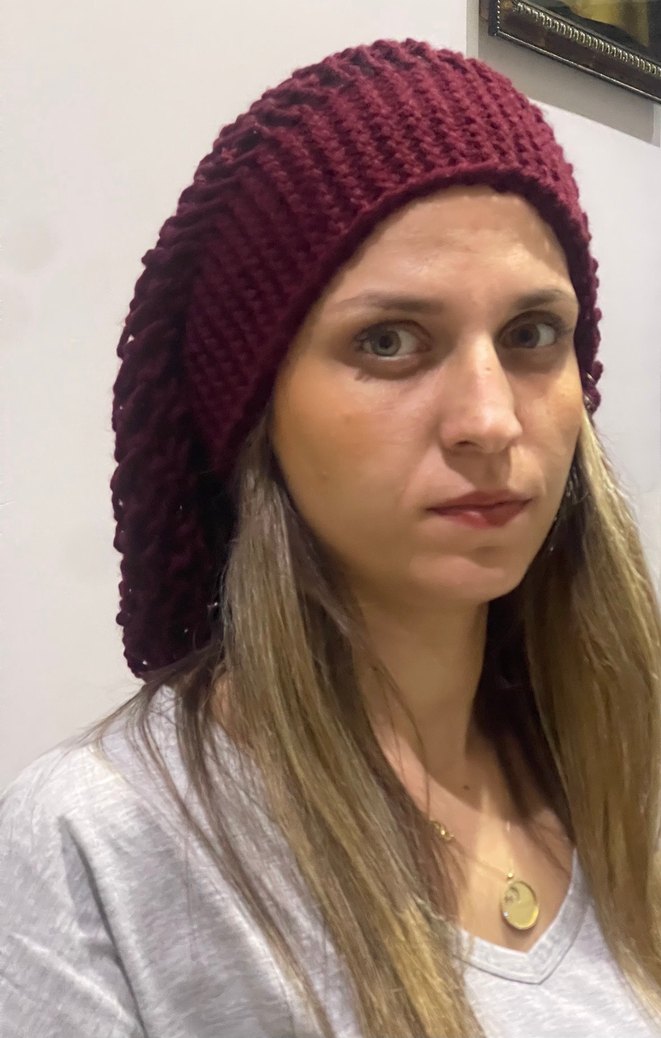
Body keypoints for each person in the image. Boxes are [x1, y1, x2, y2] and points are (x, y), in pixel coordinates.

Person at [1, 37, 659, 1038]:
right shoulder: (101, 846)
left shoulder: (623, 775)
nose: (489, 420)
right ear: (255, 411)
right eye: (388, 341)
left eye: (531, 335)